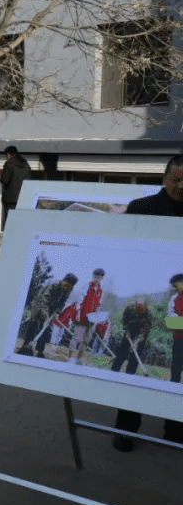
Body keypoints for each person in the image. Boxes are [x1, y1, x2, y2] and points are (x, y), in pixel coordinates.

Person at [113, 154, 183, 451]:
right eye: (175, 179)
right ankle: (126, 429)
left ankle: (175, 427)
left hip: (178, 302)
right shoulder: (142, 209)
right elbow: (126, 251)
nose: (180, 186)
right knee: (135, 363)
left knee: (178, 367)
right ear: (164, 178)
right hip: (147, 293)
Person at [16, 273, 79, 358]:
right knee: (33, 326)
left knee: (45, 330)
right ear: (63, 280)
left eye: (69, 286)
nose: (66, 287)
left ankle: (40, 351)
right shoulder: (53, 286)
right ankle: (26, 347)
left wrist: (56, 312)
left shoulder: (69, 289)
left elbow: (62, 302)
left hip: (51, 309)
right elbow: (44, 302)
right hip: (39, 305)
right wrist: (46, 317)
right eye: (66, 285)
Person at [67, 268, 105, 364]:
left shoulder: (101, 290)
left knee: (86, 339)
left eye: (99, 278)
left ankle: (79, 358)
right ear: (93, 276)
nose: (97, 279)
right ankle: (70, 357)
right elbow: (79, 300)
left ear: (102, 278)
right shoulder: (87, 286)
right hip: (83, 316)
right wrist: (79, 313)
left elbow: (99, 304)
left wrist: (97, 315)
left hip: (92, 319)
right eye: (96, 277)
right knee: (77, 338)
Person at [110, 298, 152, 376]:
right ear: (135, 306)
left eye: (141, 309)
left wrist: (138, 340)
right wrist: (127, 331)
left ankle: (130, 373)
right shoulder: (130, 308)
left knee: (136, 352)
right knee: (122, 350)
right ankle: (114, 370)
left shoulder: (148, 312)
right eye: (137, 308)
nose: (139, 311)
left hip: (141, 331)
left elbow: (147, 327)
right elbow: (124, 319)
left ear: (144, 307)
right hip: (130, 328)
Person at [0, 145, 31, 230]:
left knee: (10, 222)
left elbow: (5, 180)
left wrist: (0, 174)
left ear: (8, 154)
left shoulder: (9, 164)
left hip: (10, 198)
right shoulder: (26, 164)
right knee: (20, 222)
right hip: (24, 197)